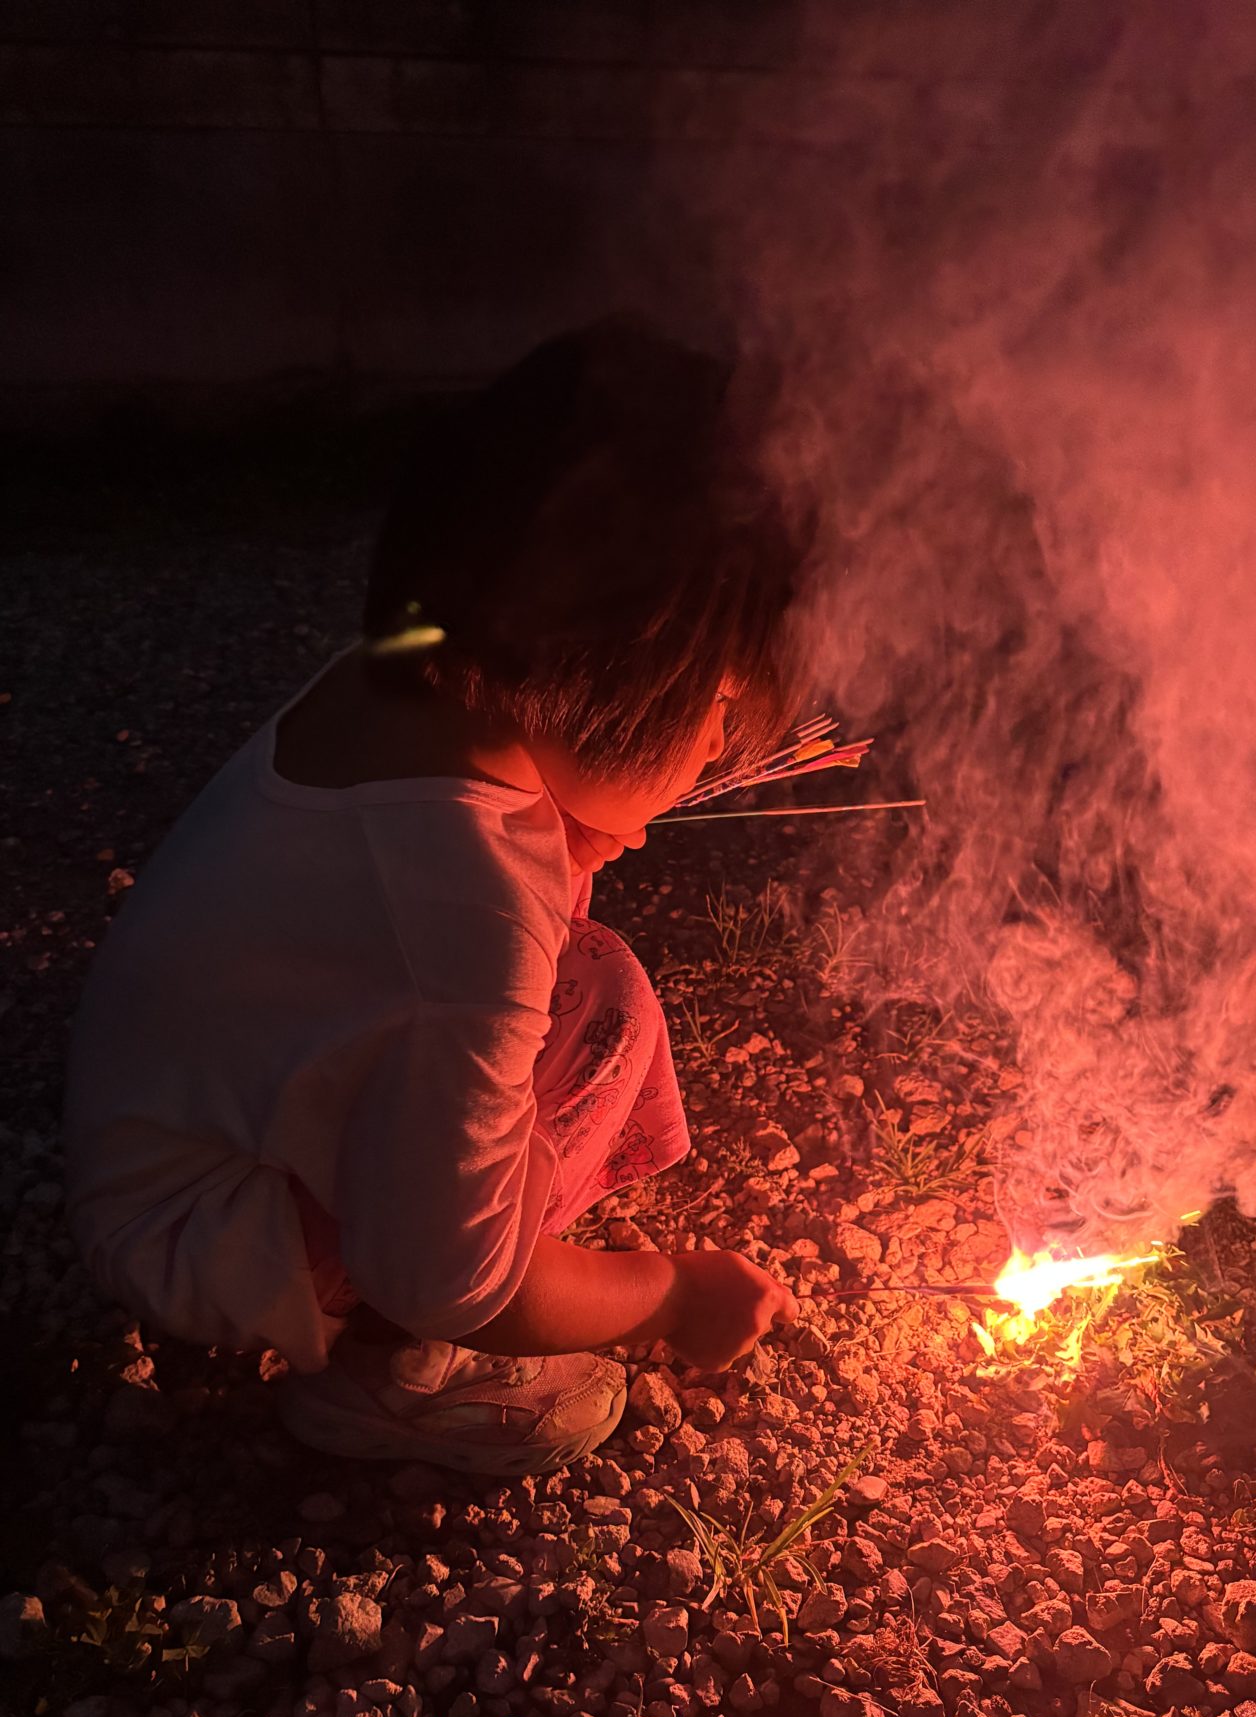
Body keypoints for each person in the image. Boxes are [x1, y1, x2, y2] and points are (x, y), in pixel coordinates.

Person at [64, 318, 806, 1476]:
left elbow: (389, 938)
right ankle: (401, 1379)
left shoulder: (397, 676)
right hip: (208, 1237)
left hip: (164, 1137)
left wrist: (557, 852)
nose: (719, 751)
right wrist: (663, 1293)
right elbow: (460, 1275)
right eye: (714, 711)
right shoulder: (470, 912)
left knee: (595, 978)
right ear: (624, 668)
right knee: (596, 1024)